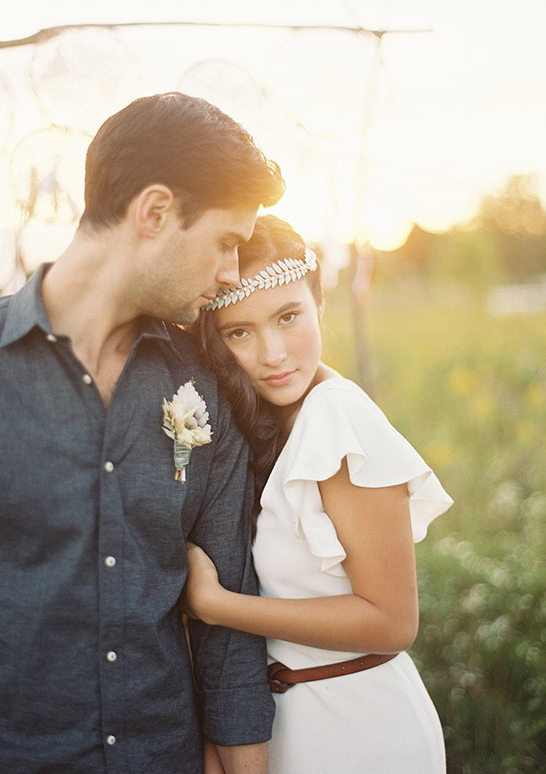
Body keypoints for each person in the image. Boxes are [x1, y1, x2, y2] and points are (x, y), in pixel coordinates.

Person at [0, 92, 285, 773]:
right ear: (155, 213)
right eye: (226, 242)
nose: (230, 274)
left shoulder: (206, 382)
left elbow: (229, 621)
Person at [185, 214, 454, 774]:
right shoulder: (278, 419)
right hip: (301, 722)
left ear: (319, 303)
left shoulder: (337, 418)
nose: (275, 353)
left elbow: (392, 621)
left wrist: (215, 605)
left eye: (289, 317)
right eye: (240, 332)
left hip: (360, 726)